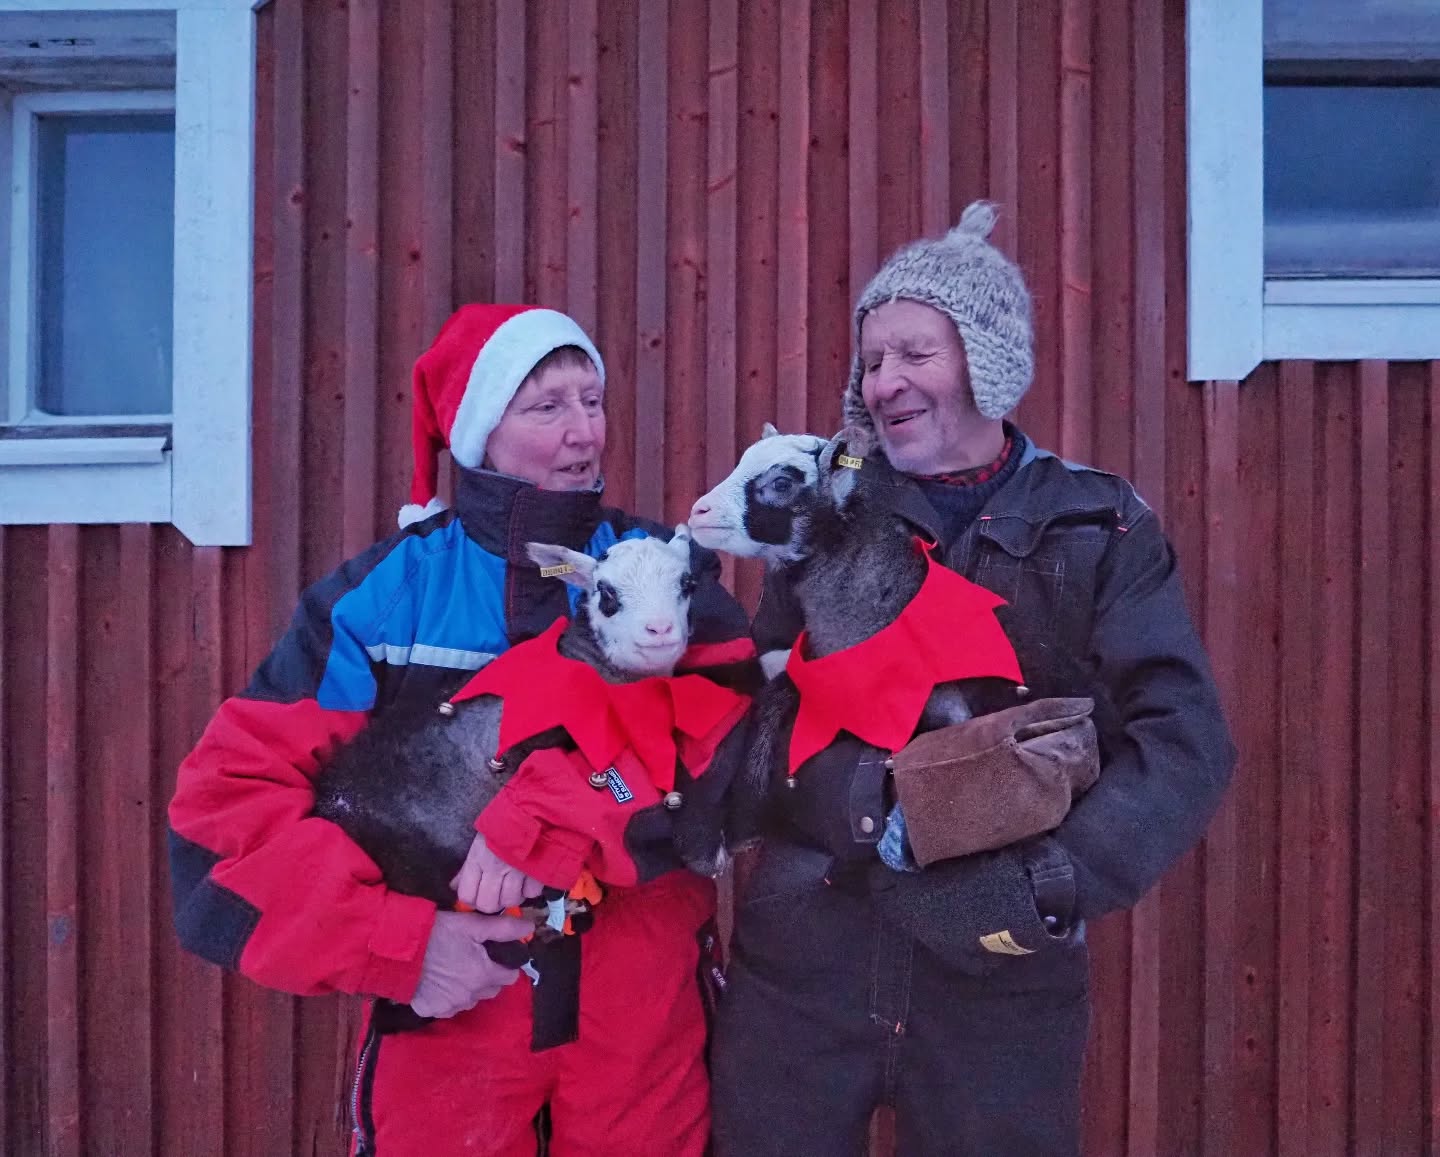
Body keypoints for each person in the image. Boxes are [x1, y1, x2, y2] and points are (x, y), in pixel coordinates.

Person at [709, 203, 1237, 1156]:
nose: (884, 381)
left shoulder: (1100, 524)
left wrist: (1055, 879)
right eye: (873, 360)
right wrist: (862, 803)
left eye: (915, 352)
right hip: (808, 960)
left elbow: (1182, 738)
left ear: (987, 362)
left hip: (1001, 980)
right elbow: (765, 703)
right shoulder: (829, 506)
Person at [168, 304, 756, 1157]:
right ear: (481, 434)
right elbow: (220, 822)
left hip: (641, 1008)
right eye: (546, 406)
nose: (584, 431)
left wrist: (551, 817)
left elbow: (732, 741)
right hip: (453, 1005)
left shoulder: (660, 571)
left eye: (592, 399)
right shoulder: (385, 599)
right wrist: (401, 946)